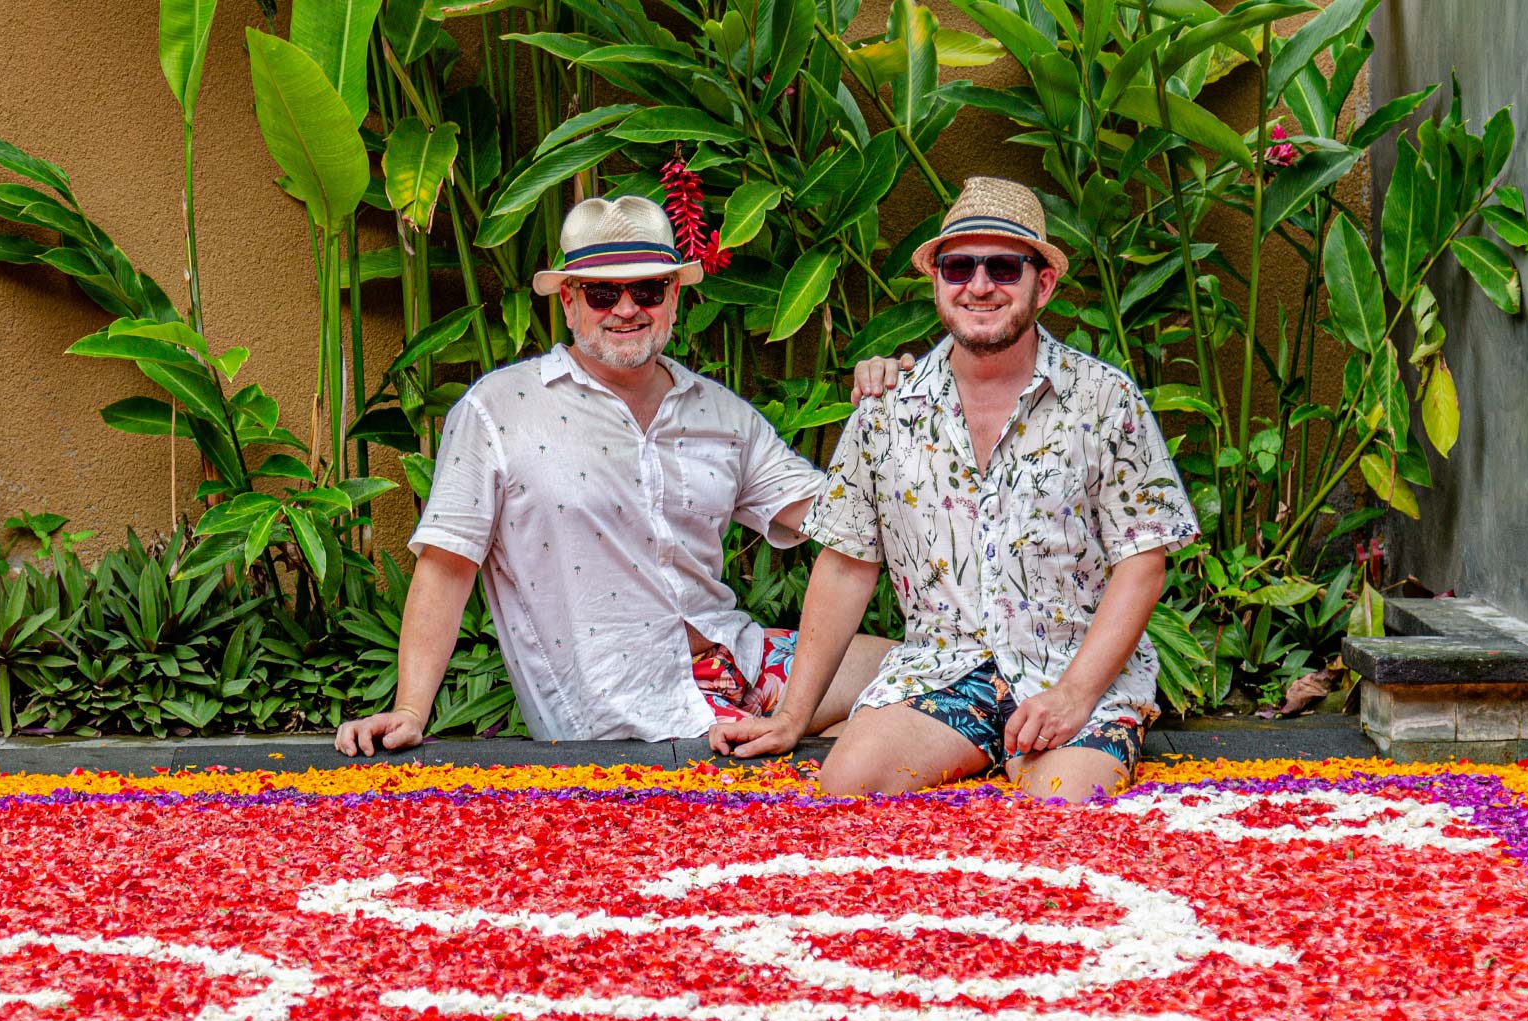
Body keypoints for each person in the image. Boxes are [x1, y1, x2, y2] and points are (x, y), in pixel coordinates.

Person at [335, 196, 890, 753]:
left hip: (743, 657)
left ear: (674, 297)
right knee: (856, 751)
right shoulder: (498, 410)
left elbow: (843, 514)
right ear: (570, 302)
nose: (627, 308)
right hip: (629, 708)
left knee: (928, 678)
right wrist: (410, 709)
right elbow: (447, 566)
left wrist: (886, 414)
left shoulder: (722, 415)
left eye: (646, 289)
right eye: (604, 293)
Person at [709, 177, 1200, 801]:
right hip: (947, 672)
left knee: (1060, 810)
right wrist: (792, 716)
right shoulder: (887, 410)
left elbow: (1142, 562)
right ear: (938, 280)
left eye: (1003, 266)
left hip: (1072, 669)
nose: (979, 285)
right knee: (848, 785)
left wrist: (1075, 694)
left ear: (1041, 283)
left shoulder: (1105, 399)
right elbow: (845, 567)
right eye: (959, 266)